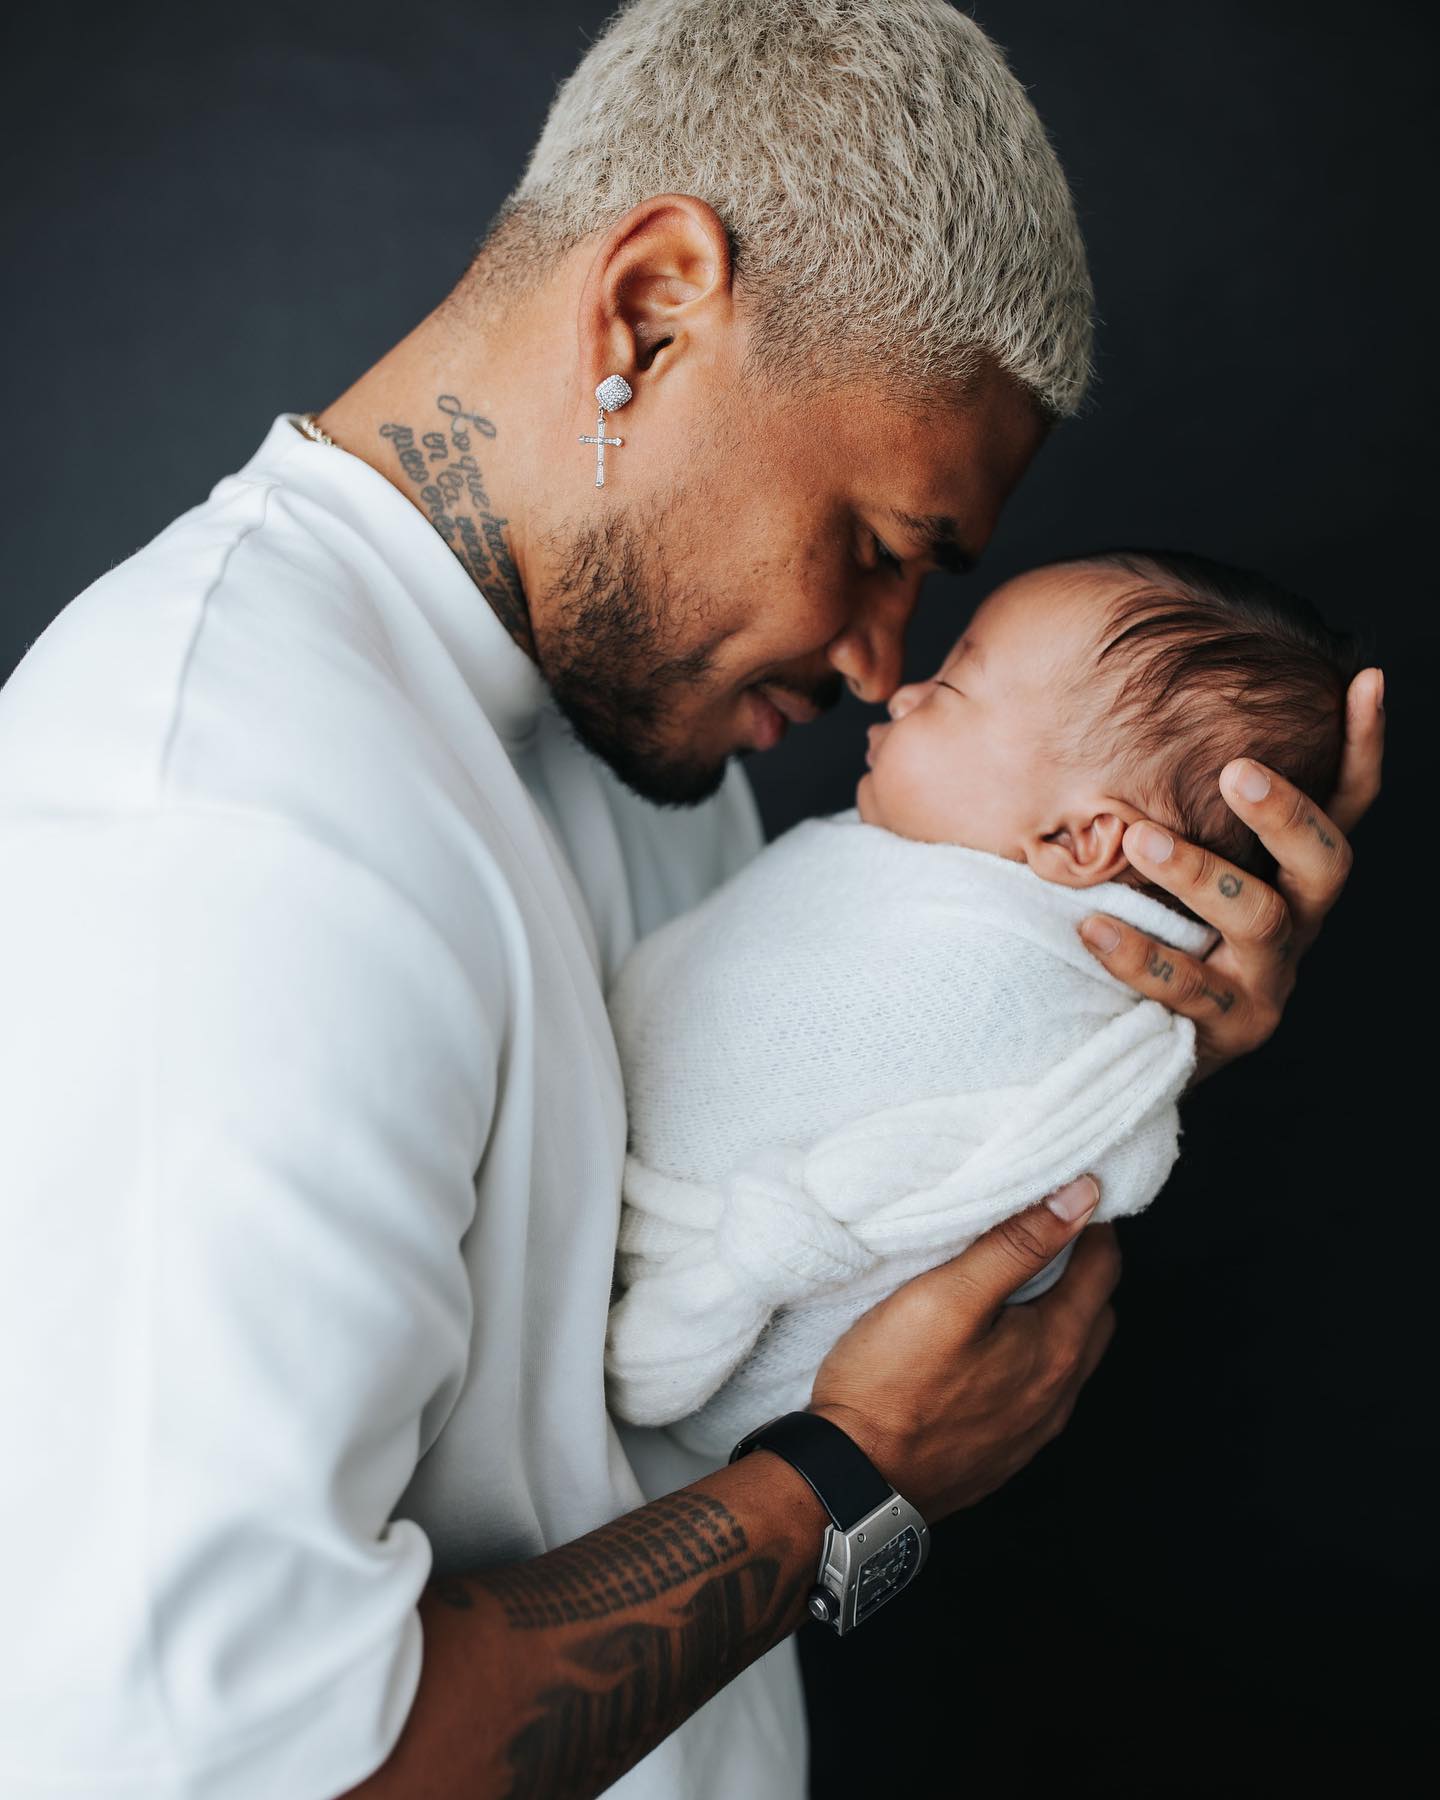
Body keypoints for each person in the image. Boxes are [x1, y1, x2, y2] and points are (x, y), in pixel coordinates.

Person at [0, 4, 1381, 1798]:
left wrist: (1109, 1009)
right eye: (879, 552)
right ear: (652, 309)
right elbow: (240, 1761)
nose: (888, 665)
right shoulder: (219, 819)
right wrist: (849, 1484)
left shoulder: (647, 737)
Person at [604, 548, 1362, 1457]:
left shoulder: (1035, 972)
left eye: (951, 689)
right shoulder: (895, 870)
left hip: (766, 1360)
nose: (900, 693)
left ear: (1081, 839)